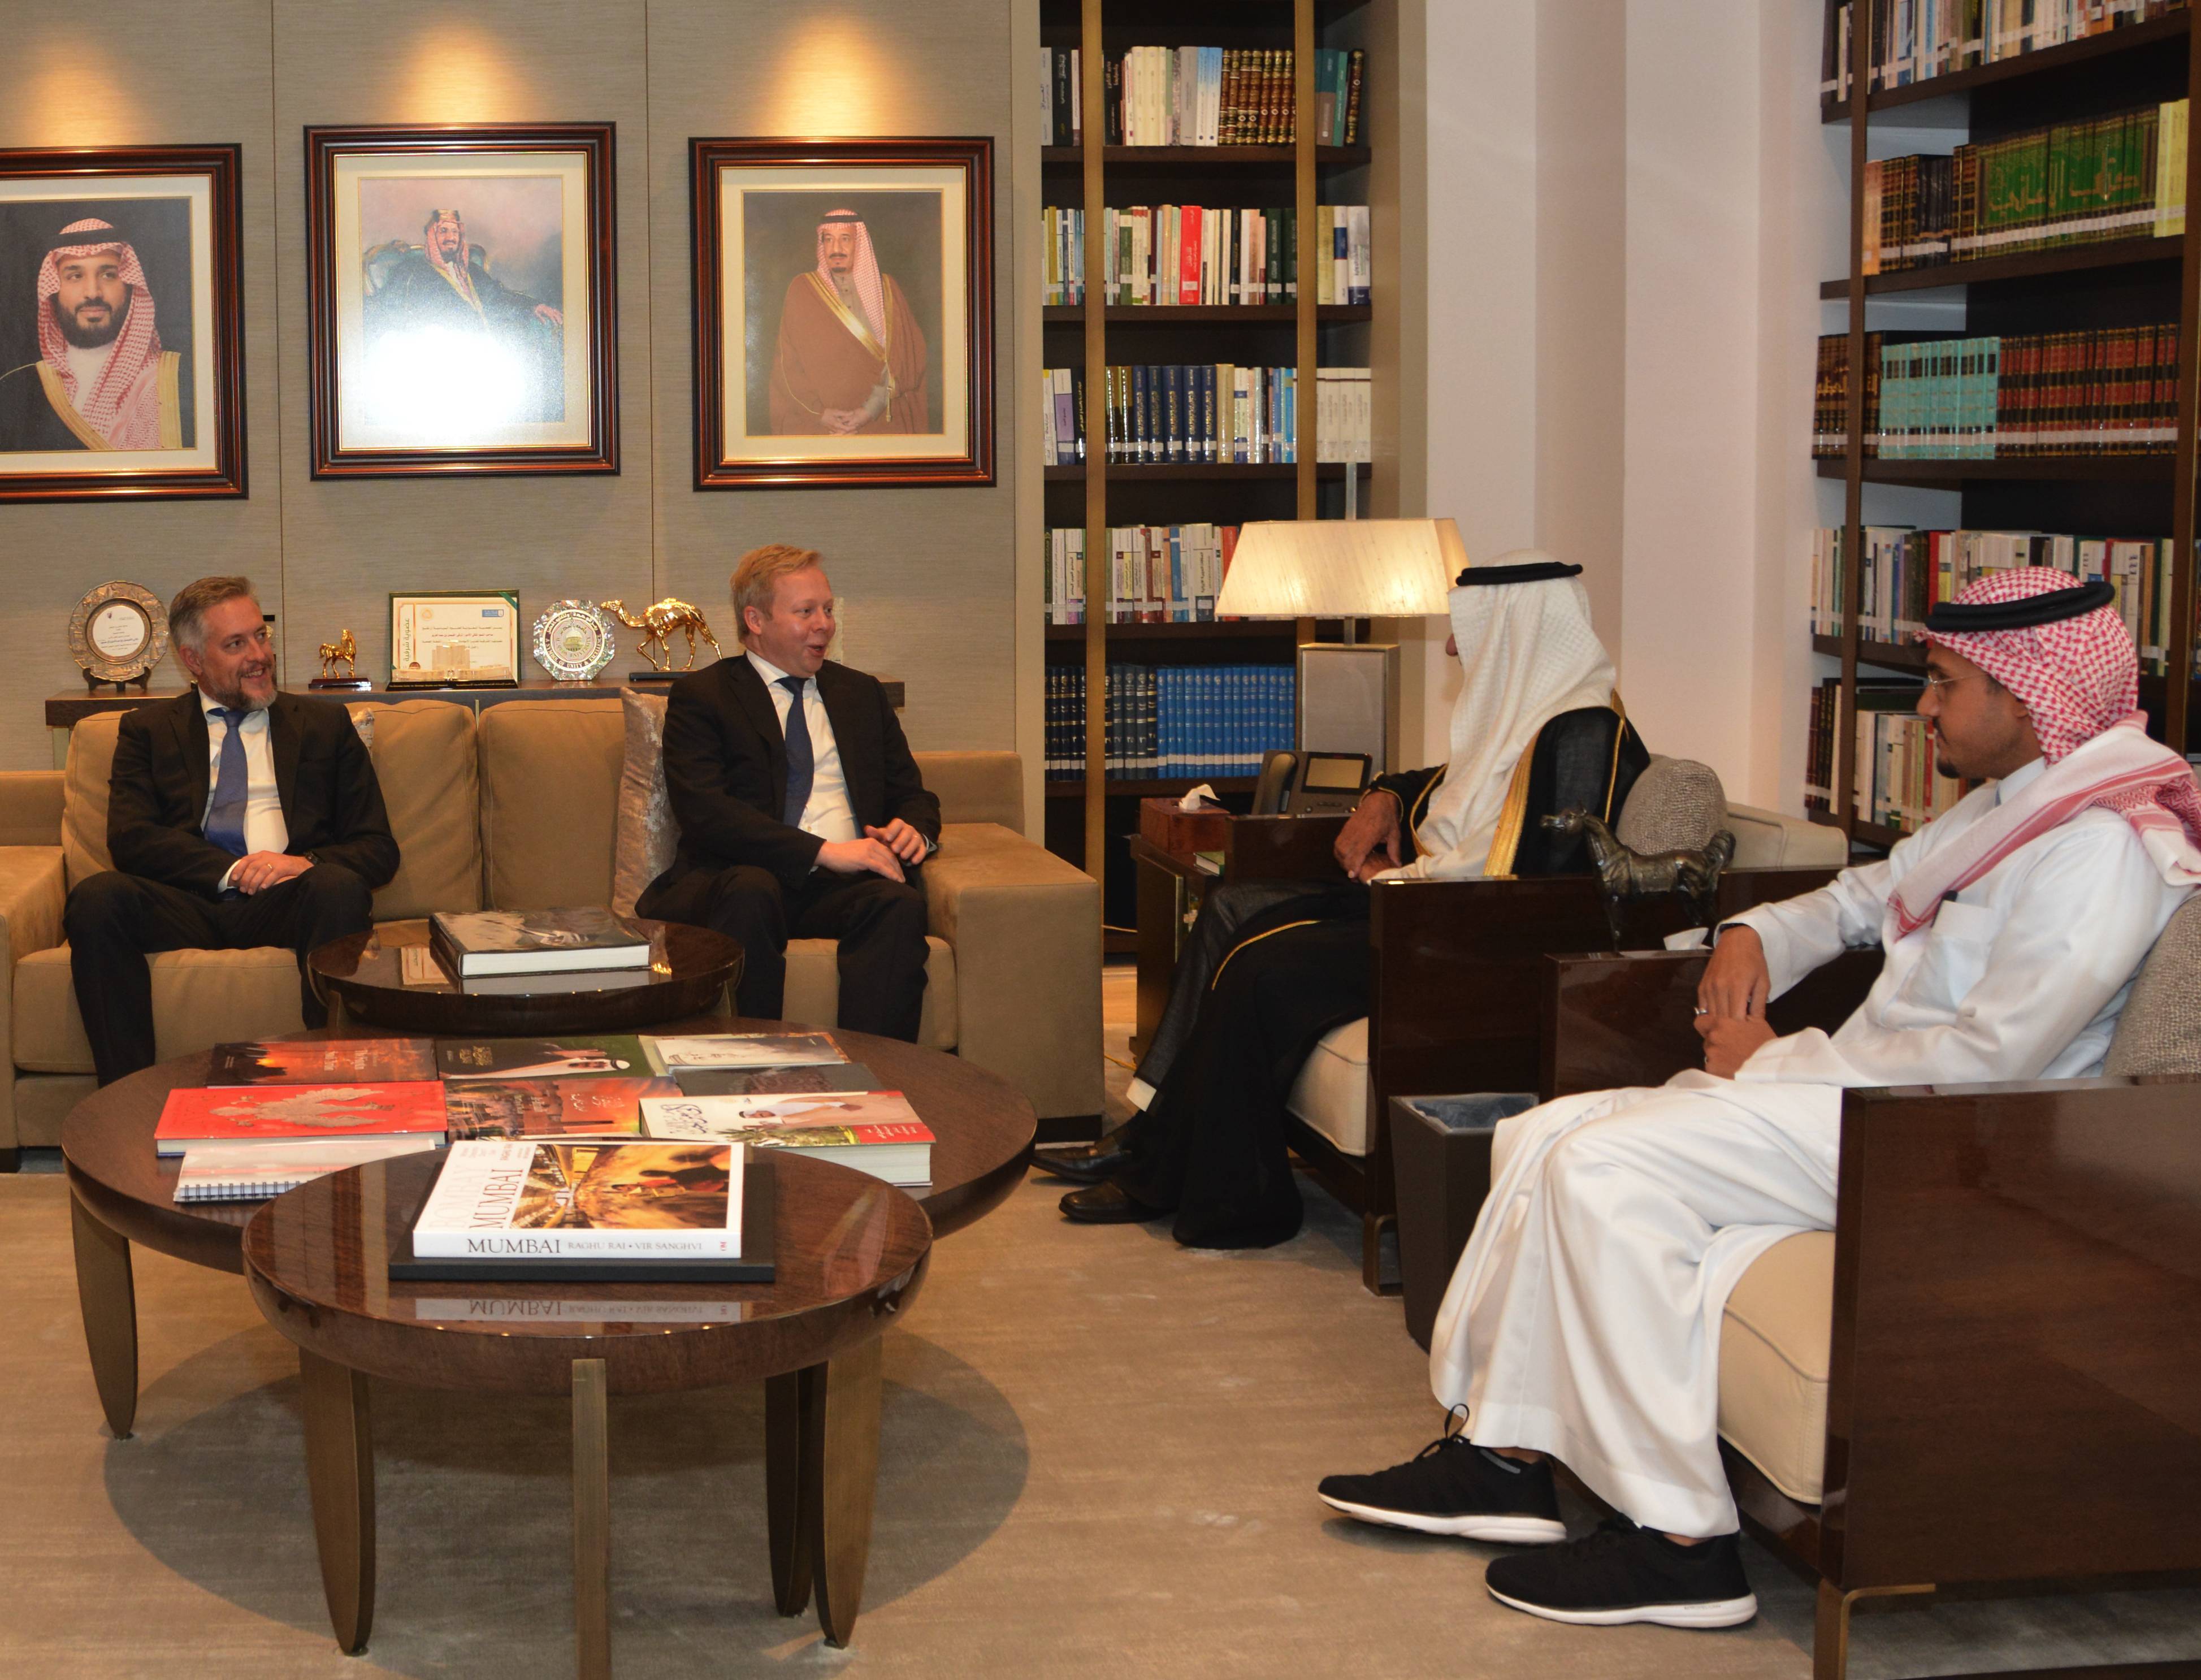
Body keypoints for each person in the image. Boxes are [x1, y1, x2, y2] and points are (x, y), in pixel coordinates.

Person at [1315, 568, 2201, 1631]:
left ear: (2026, 696)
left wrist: (1768, 1061)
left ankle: (1681, 1543)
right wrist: (1751, 933)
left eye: (1943, 683)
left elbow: (1985, 1062)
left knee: (1596, 1165)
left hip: (1942, 1144)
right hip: (1859, 1100)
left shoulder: (2099, 846)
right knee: (1540, 1133)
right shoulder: (2018, 805)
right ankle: (1503, 1458)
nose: (1922, 708)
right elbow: (1859, 897)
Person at [1046, 553, 1649, 1247]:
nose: (1451, 648)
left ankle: (1225, 1193)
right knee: (1231, 906)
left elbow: (1532, 879)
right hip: (1423, 912)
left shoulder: (1585, 734)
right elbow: (1446, 785)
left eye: (1466, 629)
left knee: (1260, 966)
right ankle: (1151, 1131)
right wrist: (1383, 795)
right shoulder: (1527, 717)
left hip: (1462, 948)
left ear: (1518, 629)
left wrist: (1402, 880)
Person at [66, 577, 399, 1086]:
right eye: (236, 644)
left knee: (336, 886)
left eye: (261, 636)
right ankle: (126, 1094)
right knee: (97, 898)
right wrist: (234, 870)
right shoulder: (147, 731)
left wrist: (303, 865)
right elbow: (131, 838)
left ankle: (331, 1085)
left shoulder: (324, 726)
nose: (259, 656)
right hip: (188, 902)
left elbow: (377, 848)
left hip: (287, 901)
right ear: (193, 660)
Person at [637, 544, 940, 1042]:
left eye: (828, 609)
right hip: (742, 879)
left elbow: (912, 793)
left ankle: (877, 1069)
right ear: (756, 620)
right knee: (751, 891)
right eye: (806, 612)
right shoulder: (705, 697)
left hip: (840, 888)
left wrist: (915, 831)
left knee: (897, 902)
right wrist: (824, 851)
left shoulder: (861, 694)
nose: (825, 624)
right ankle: (750, 1064)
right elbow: (707, 813)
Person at [0, 217, 190, 452]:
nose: (93, 292)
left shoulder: (183, 377)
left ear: (130, 286)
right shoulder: (16, 387)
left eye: (108, 275)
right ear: (54, 290)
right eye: (75, 276)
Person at [362, 207, 565, 421]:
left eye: (455, 232)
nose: (450, 237)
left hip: (487, 350)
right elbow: (390, 307)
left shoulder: (471, 271)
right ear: (431, 236)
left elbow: (498, 296)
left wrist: (533, 306)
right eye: (443, 231)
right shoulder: (413, 272)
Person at [768, 209, 929, 435]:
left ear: (859, 243)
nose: (836, 249)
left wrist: (868, 411)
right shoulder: (802, 290)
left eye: (845, 239)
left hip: (881, 420)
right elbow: (787, 365)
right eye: (828, 240)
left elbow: (907, 358)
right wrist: (821, 414)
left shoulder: (888, 289)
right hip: (820, 426)